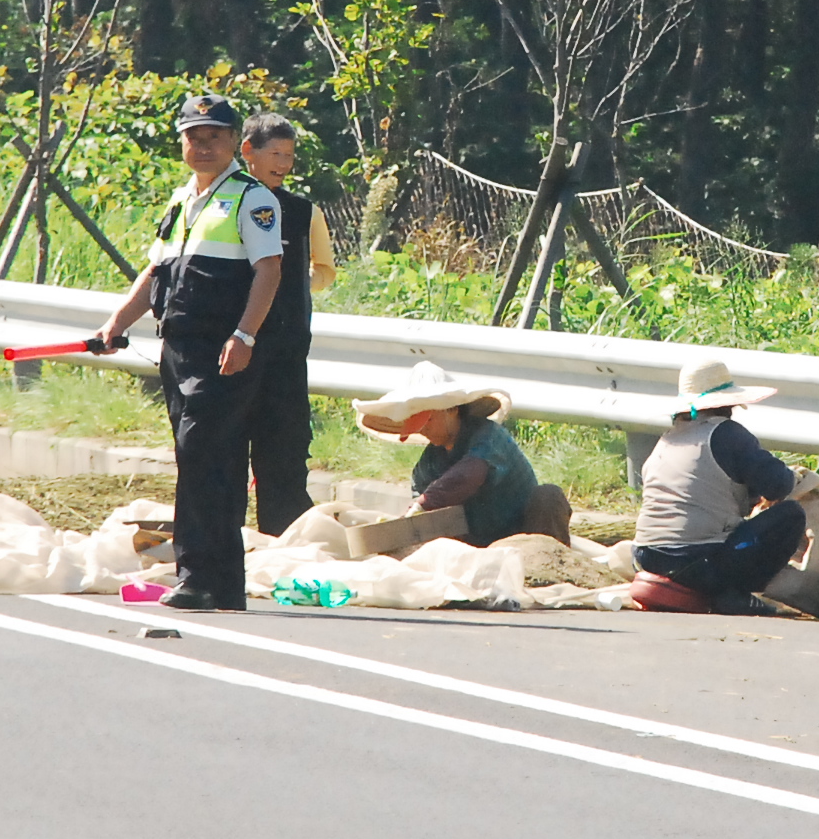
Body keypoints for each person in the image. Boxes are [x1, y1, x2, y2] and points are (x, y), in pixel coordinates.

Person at [94, 94, 284, 611]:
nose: (202, 146)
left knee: (203, 455)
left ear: (235, 144)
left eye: (214, 137)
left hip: (224, 351)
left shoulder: (252, 199)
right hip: (178, 349)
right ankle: (223, 584)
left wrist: (244, 336)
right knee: (204, 460)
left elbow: (269, 271)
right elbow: (155, 271)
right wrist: (116, 323)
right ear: (182, 143)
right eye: (193, 137)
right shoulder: (181, 201)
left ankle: (198, 576)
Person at [629, 354, 807, 614]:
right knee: (790, 516)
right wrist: (797, 476)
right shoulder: (727, 434)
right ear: (729, 404)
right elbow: (778, 485)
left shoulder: (668, 438)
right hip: (697, 563)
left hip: (644, 556)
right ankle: (734, 592)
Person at [351, 359, 573, 547]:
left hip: (523, 535)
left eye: (428, 420)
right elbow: (423, 522)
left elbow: (468, 475)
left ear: (452, 409)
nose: (423, 429)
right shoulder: (427, 465)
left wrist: (424, 502)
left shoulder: (488, 435)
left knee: (548, 496)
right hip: (477, 546)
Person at [239, 112, 336, 536]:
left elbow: (325, 270)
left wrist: (295, 288)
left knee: (285, 446)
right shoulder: (227, 201)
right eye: (275, 153)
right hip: (235, 345)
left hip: (287, 348)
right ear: (248, 152)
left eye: (289, 155)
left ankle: (282, 535)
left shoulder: (303, 211)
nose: (283, 162)